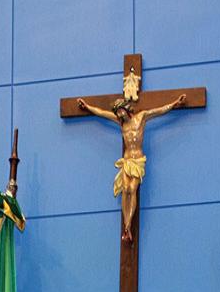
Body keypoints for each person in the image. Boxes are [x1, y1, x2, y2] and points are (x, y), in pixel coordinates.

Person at [76, 92, 186, 241]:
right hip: (127, 160)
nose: (119, 114)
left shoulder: (141, 117)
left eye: (120, 111)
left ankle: (128, 225)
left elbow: (159, 110)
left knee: (132, 189)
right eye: (117, 112)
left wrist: (175, 104)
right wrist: (88, 107)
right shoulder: (121, 123)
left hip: (138, 160)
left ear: (126, 108)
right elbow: (102, 113)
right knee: (125, 190)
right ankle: (126, 226)